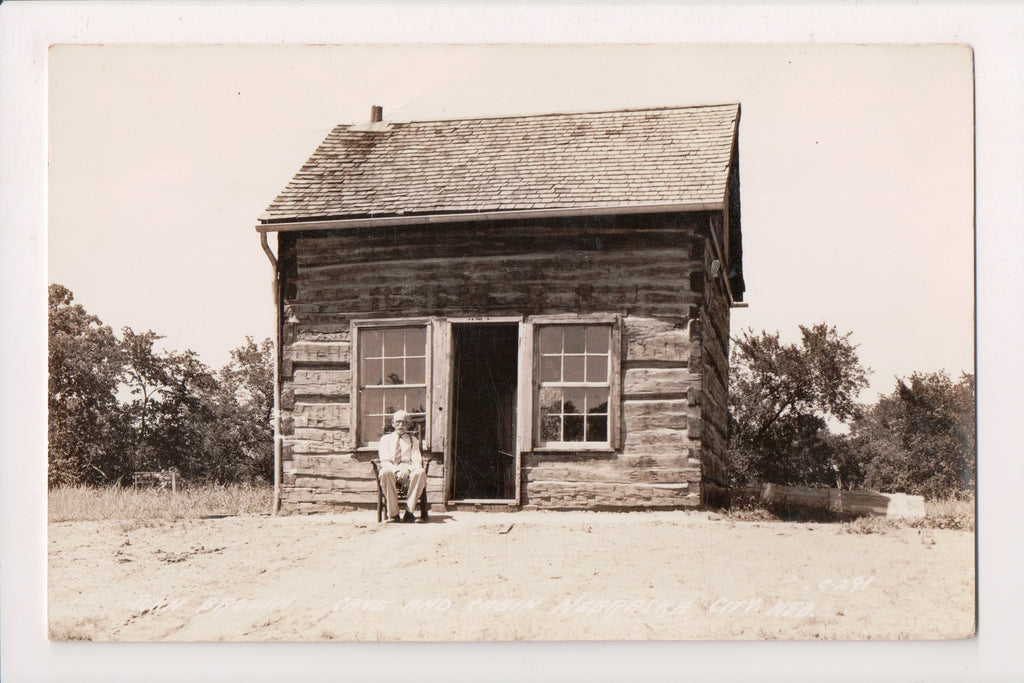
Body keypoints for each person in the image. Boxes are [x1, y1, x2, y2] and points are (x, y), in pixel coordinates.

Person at [377, 410, 426, 523]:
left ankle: (409, 512)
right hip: (391, 469)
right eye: (398, 422)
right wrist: (397, 471)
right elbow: (384, 460)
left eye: (404, 422)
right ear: (393, 423)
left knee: (420, 472)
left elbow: (417, 460)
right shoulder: (385, 439)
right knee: (385, 472)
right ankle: (394, 514)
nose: (401, 425)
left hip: (408, 471)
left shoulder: (413, 440)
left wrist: (407, 470)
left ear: (408, 424)